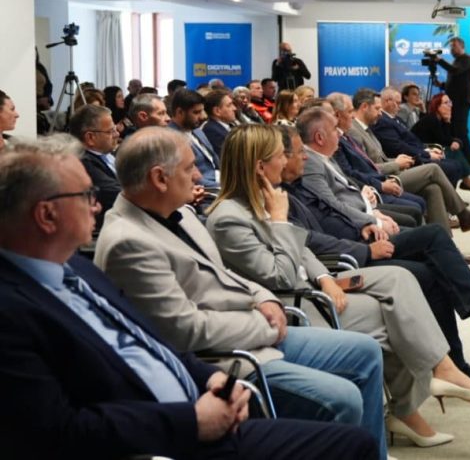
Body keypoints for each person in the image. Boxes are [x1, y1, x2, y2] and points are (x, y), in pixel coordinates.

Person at [0, 136, 377, 460]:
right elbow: (60, 430)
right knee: (345, 414)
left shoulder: (77, 269)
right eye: (86, 195)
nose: (96, 204)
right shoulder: (18, 308)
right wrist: (193, 418)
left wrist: (213, 370)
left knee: (364, 355)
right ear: (47, 215)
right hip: (182, 417)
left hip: (212, 373)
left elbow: (154, 336)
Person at [206, 124, 470, 447]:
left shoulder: (261, 200)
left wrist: (324, 278)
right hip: (291, 304)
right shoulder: (229, 218)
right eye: (280, 156)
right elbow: (281, 276)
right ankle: (407, 408)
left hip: (316, 285)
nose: (287, 160)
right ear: (260, 167)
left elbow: (302, 251)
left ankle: (437, 375)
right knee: (391, 318)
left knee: (401, 279)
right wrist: (279, 222)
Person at [277, 125, 470, 349]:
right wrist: (366, 241)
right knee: (431, 243)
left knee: (433, 246)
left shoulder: (291, 186)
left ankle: (465, 347)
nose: (305, 156)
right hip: (347, 255)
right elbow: (309, 238)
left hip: (358, 232)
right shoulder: (282, 195)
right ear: (274, 159)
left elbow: (331, 207)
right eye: (299, 152)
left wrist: (366, 221)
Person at [345, 89, 470, 235]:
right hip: (383, 179)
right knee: (433, 169)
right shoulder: (354, 132)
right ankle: (464, 215)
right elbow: (366, 167)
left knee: (433, 188)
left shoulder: (367, 129)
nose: (380, 112)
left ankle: (444, 242)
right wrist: (396, 164)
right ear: (364, 107)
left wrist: (398, 161)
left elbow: (376, 159)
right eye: (377, 108)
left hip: (391, 171)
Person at [373, 88, 468, 187]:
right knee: (453, 166)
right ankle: (457, 192)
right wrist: (427, 153)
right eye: (398, 103)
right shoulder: (382, 121)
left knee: (456, 164)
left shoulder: (396, 119)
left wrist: (427, 149)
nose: (399, 107)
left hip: (418, 152)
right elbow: (398, 146)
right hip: (410, 159)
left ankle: (453, 194)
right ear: (388, 101)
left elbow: (412, 140)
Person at [412, 93, 470, 192]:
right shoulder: (432, 119)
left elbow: (451, 138)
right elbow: (443, 140)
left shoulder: (440, 119)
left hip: (432, 147)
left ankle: (462, 184)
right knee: (453, 152)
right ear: (437, 106)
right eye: (446, 103)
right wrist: (453, 136)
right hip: (421, 149)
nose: (450, 105)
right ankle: (464, 181)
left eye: (450, 102)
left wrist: (448, 124)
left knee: (454, 150)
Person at [69, 104, 122, 229]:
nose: (117, 134)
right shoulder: (83, 162)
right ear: (90, 137)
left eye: (115, 129)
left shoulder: (107, 154)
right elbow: (116, 193)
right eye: (111, 131)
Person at [169, 89, 221, 190]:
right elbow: (195, 180)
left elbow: (214, 160)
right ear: (180, 112)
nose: (203, 116)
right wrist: (227, 186)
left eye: (202, 111)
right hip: (207, 188)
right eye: (196, 112)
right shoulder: (170, 139)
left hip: (219, 177)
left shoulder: (196, 129)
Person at [436, 37, 470, 167]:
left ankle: (469, 161)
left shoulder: (467, 60)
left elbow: (455, 71)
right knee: (456, 131)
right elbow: (456, 82)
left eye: (454, 46)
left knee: (460, 131)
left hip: (461, 102)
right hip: (455, 102)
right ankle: (461, 160)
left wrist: (439, 60)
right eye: (450, 47)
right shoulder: (457, 61)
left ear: (462, 46)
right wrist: (442, 85)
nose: (451, 49)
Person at [202, 88, 238, 156]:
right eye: (229, 105)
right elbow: (229, 158)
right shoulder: (212, 131)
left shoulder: (230, 125)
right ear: (217, 111)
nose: (234, 108)